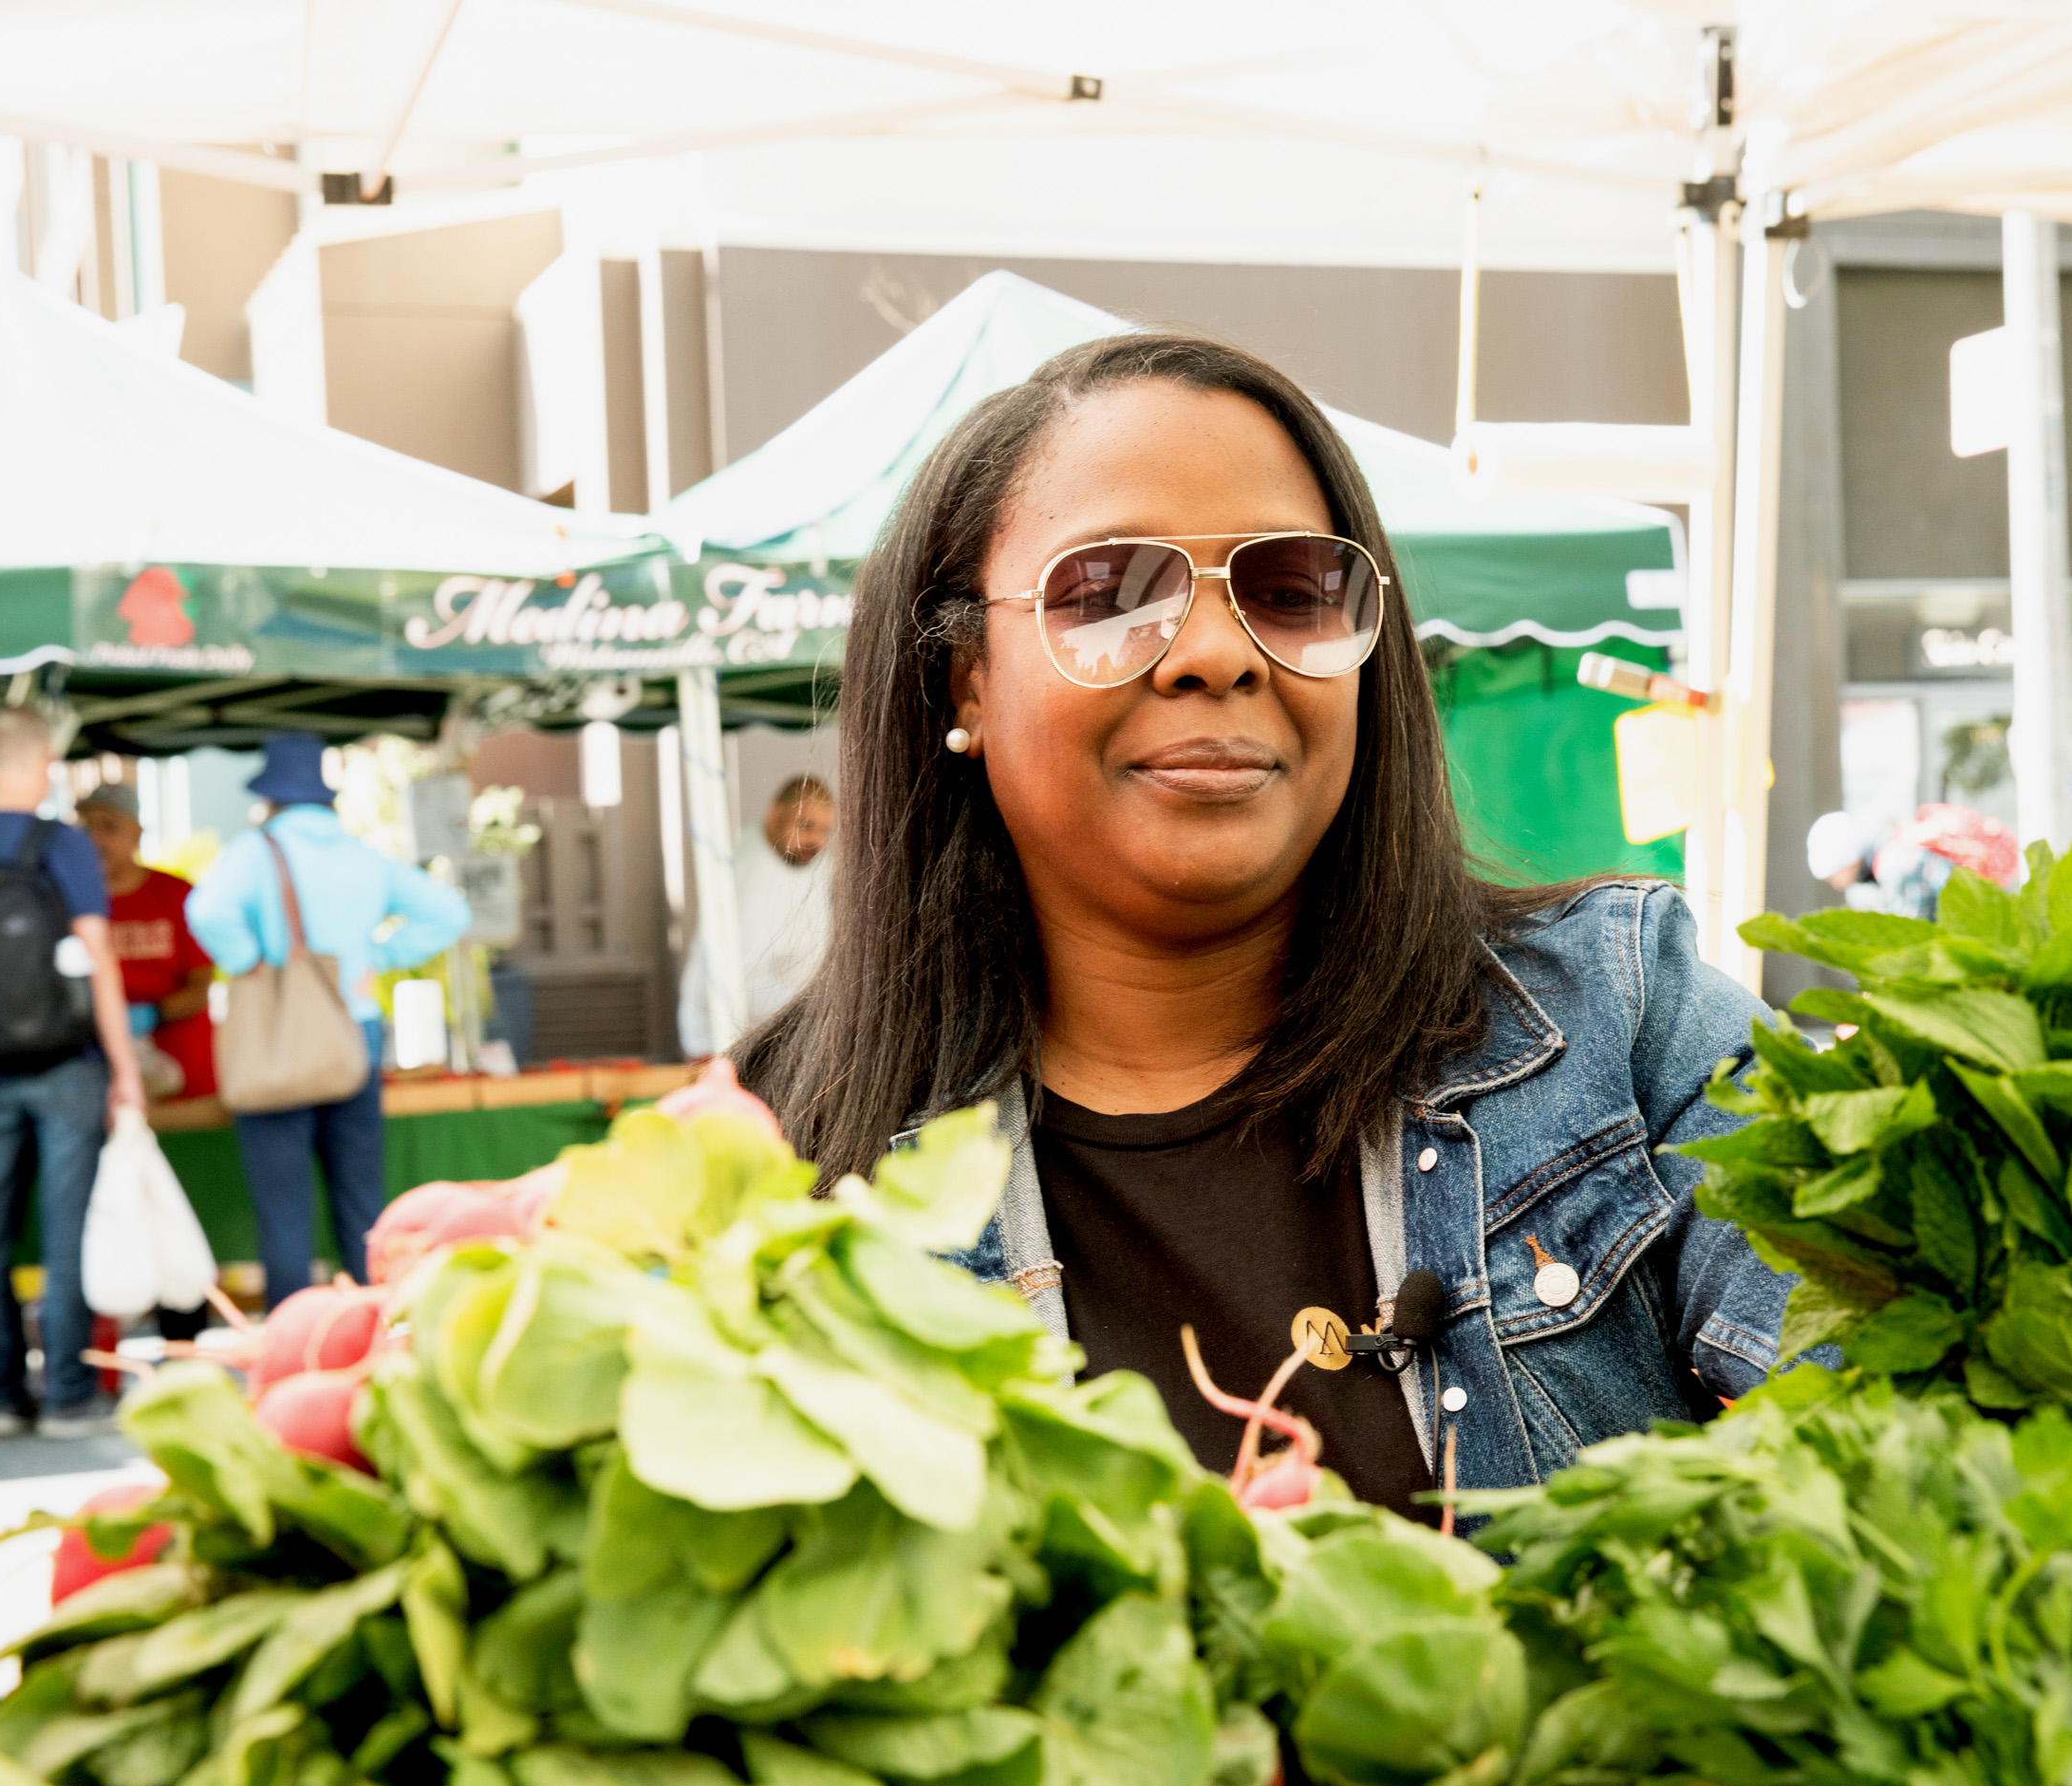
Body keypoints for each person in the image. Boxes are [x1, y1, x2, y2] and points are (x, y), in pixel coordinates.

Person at [738, 333, 1787, 1515]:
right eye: (1108, 594)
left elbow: (1891, 1426)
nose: (1217, 654)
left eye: (1291, 591)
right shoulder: (772, 1169)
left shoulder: (1628, 1029)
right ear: (964, 678)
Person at [0, 707, 142, 1439]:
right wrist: (124, 1068)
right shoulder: (65, 846)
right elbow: (97, 960)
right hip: (68, 1062)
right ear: (45, 764)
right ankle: (69, 1396)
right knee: (64, 1225)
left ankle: (2, 1397)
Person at [185, 735, 470, 1306]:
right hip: (352, 1038)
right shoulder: (362, 856)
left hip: (277, 1042)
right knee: (362, 1204)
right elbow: (449, 912)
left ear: (270, 798)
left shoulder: (254, 851)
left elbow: (206, 909)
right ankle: (373, 1334)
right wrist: (377, 956)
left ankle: (296, 1347)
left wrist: (252, 961)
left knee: (284, 1211)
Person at [676, 773, 836, 1057]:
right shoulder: (750, 879)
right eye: (806, 826)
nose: (816, 840)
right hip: (727, 1044)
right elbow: (745, 982)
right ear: (774, 813)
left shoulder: (805, 858)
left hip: (784, 1036)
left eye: (825, 830)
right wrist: (821, 1011)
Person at [77, 782, 217, 1102]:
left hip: (181, 1070)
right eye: (86, 828)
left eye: (109, 827)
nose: (95, 839)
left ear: (137, 833)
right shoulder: (68, 902)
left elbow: (200, 984)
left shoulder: (177, 895)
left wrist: (151, 1014)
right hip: (97, 1067)